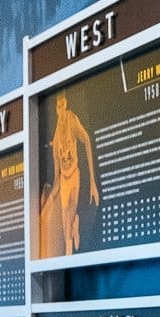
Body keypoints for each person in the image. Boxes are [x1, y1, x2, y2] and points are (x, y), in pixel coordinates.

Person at [48, 91, 98, 254]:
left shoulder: (72, 120)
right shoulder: (56, 140)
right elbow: (56, 176)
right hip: (64, 180)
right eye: (58, 106)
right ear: (56, 109)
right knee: (66, 233)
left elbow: (86, 140)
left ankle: (76, 222)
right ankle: (74, 226)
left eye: (62, 105)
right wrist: (49, 200)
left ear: (66, 105)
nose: (61, 109)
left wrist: (92, 182)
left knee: (70, 215)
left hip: (74, 175)